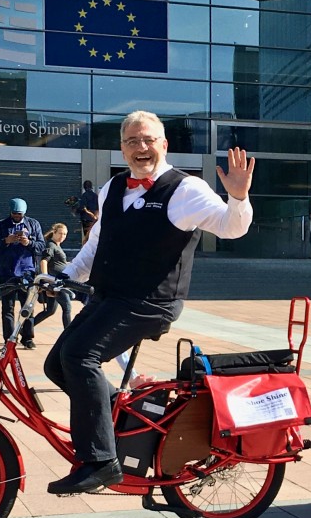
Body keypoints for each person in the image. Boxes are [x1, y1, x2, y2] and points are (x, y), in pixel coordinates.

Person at [43, 110, 254, 495]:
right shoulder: (113, 189)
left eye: (148, 140)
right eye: (132, 141)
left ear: (164, 144)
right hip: (111, 295)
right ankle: (125, 424)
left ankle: (100, 461)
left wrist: (238, 197)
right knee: (56, 364)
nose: (141, 148)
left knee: (79, 357)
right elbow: (95, 246)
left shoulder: (185, 189)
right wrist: (64, 276)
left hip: (151, 301)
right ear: (122, 148)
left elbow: (231, 227)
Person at [0, 198, 46, 349]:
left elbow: (41, 246)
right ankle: (9, 338)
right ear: (10, 212)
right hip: (7, 271)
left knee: (27, 306)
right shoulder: (1, 225)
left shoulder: (33, 224)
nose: (17, 216)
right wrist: (6, 241)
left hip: (27, 272)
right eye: (14, 213)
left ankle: (27, 337)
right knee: (7, 306)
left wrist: (28, 243)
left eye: (20, 214)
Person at [34, 223, 73, 329]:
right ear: (54, 232)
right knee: (67, 307)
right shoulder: (51, 245)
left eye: (65, 234)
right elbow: (44, 261)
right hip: (55, 283)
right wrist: (46, 280)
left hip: (57, 281)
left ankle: (26, 328)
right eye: (60, 233)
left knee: (50, 311)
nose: (62, 236)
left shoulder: (57, 245)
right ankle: (68, 335)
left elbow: (58, 263)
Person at [76, 180, 98, 244]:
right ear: (91, 187)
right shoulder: (96, 196)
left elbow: (82, 207)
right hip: (94, 219)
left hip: (86, 219)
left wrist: (77, 210)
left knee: (87, 236)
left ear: (84, 187)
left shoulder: (84, 196)